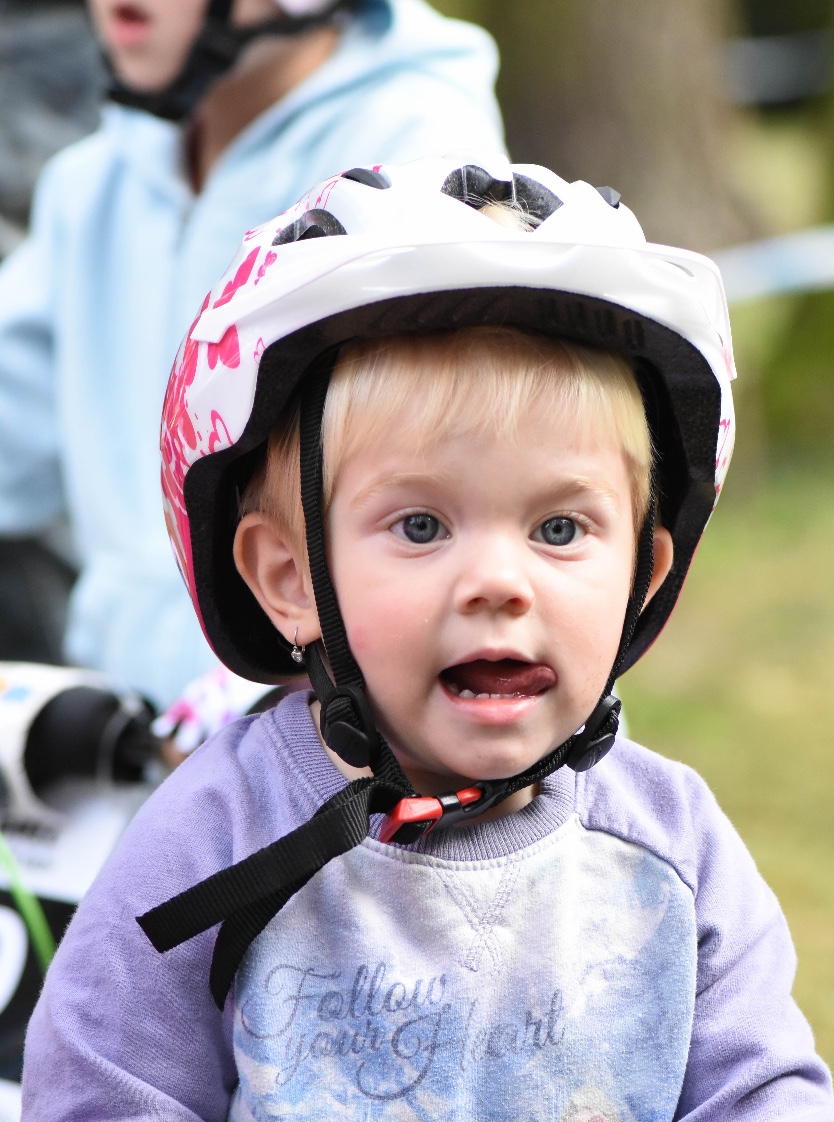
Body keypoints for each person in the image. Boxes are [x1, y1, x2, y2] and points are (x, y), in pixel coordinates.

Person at [20, 157, 834, 1122]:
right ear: (288, 578)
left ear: (643, 567)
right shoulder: (209, 853)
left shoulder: (665, 855)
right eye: (420, 526)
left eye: (560, 528)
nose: (499, 580)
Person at [0, 0, 507, 714]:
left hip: (360, 735)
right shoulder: (91, 186)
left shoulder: (414, 162)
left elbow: (457, 505)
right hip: (146, 737)